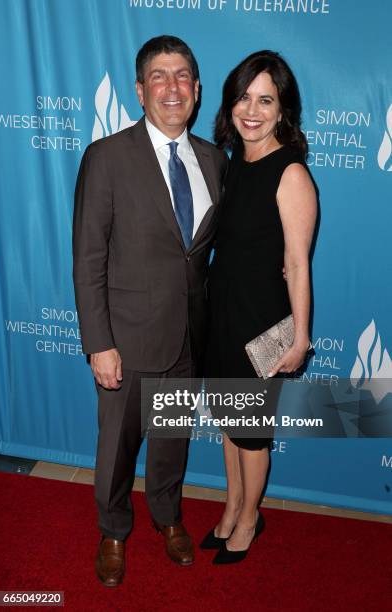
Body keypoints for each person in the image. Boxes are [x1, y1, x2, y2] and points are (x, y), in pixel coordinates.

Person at [73, 35, 227, 585]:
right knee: (116, 450)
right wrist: (99, 343)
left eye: (182, 75)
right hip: (127, 339)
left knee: (170, 441)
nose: (171, 86)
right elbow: (89, 258)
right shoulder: (107, 157)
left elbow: (213, 251)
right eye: (158, 76)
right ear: (139, 90)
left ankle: (167, 517)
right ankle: (113, 530)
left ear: (197, 89)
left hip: (188, 336)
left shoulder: (213, 160)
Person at [201, 50, 317, 564]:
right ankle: (231, 508)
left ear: (282, 109)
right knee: (228, 422)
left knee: (251, 433)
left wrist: (300, 336)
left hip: (262, 321)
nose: (252, 109)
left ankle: (250, 519)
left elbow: (297, 262)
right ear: (230, 104)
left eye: (265, 99)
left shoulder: (290, 173)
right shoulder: (230, 166)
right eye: (244, 97)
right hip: (220, 310)